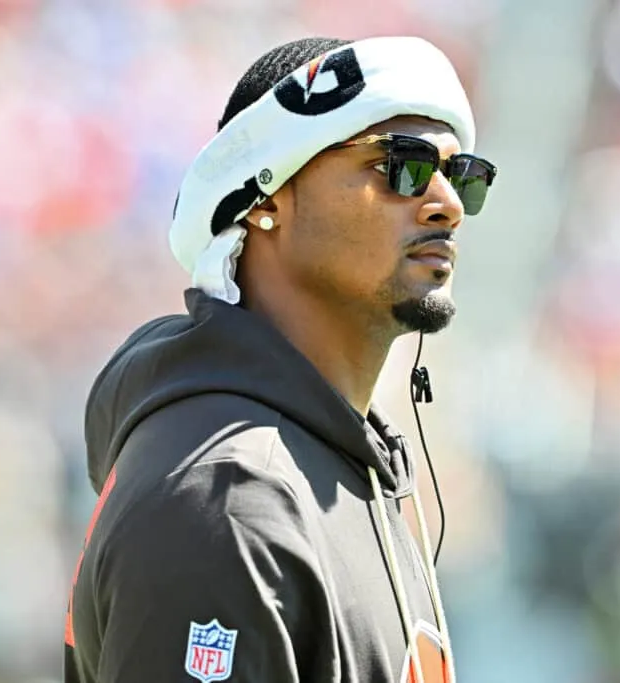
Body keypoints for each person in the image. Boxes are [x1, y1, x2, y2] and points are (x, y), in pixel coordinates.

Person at [63, 35, 498, 683]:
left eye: (462, 173)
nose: (448, 204)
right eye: (401, 166)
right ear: (264, 196)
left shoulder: (340, 464)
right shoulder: (229, 497)